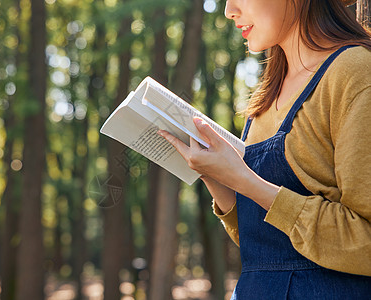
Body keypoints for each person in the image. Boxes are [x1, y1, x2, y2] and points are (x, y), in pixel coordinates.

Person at [158, 0, 371, 298]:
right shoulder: (264, 97)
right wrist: (215, 177)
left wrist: (246, 181)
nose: (229, 10)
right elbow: (265, 246)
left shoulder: (355, 73)